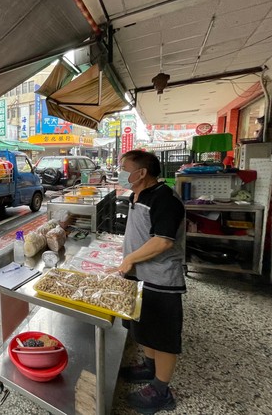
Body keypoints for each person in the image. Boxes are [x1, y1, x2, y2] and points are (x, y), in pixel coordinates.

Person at [115, 150, 186, 413]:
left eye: (125, 167)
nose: (121, 172)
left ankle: (161, 391)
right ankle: (149, 367)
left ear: (142, 172)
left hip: (161, 280)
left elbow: (163, 240)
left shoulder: (165, 200)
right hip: (139, 276)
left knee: (163, 336)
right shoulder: (140, 194)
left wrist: (130, 257)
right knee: (144, 328)